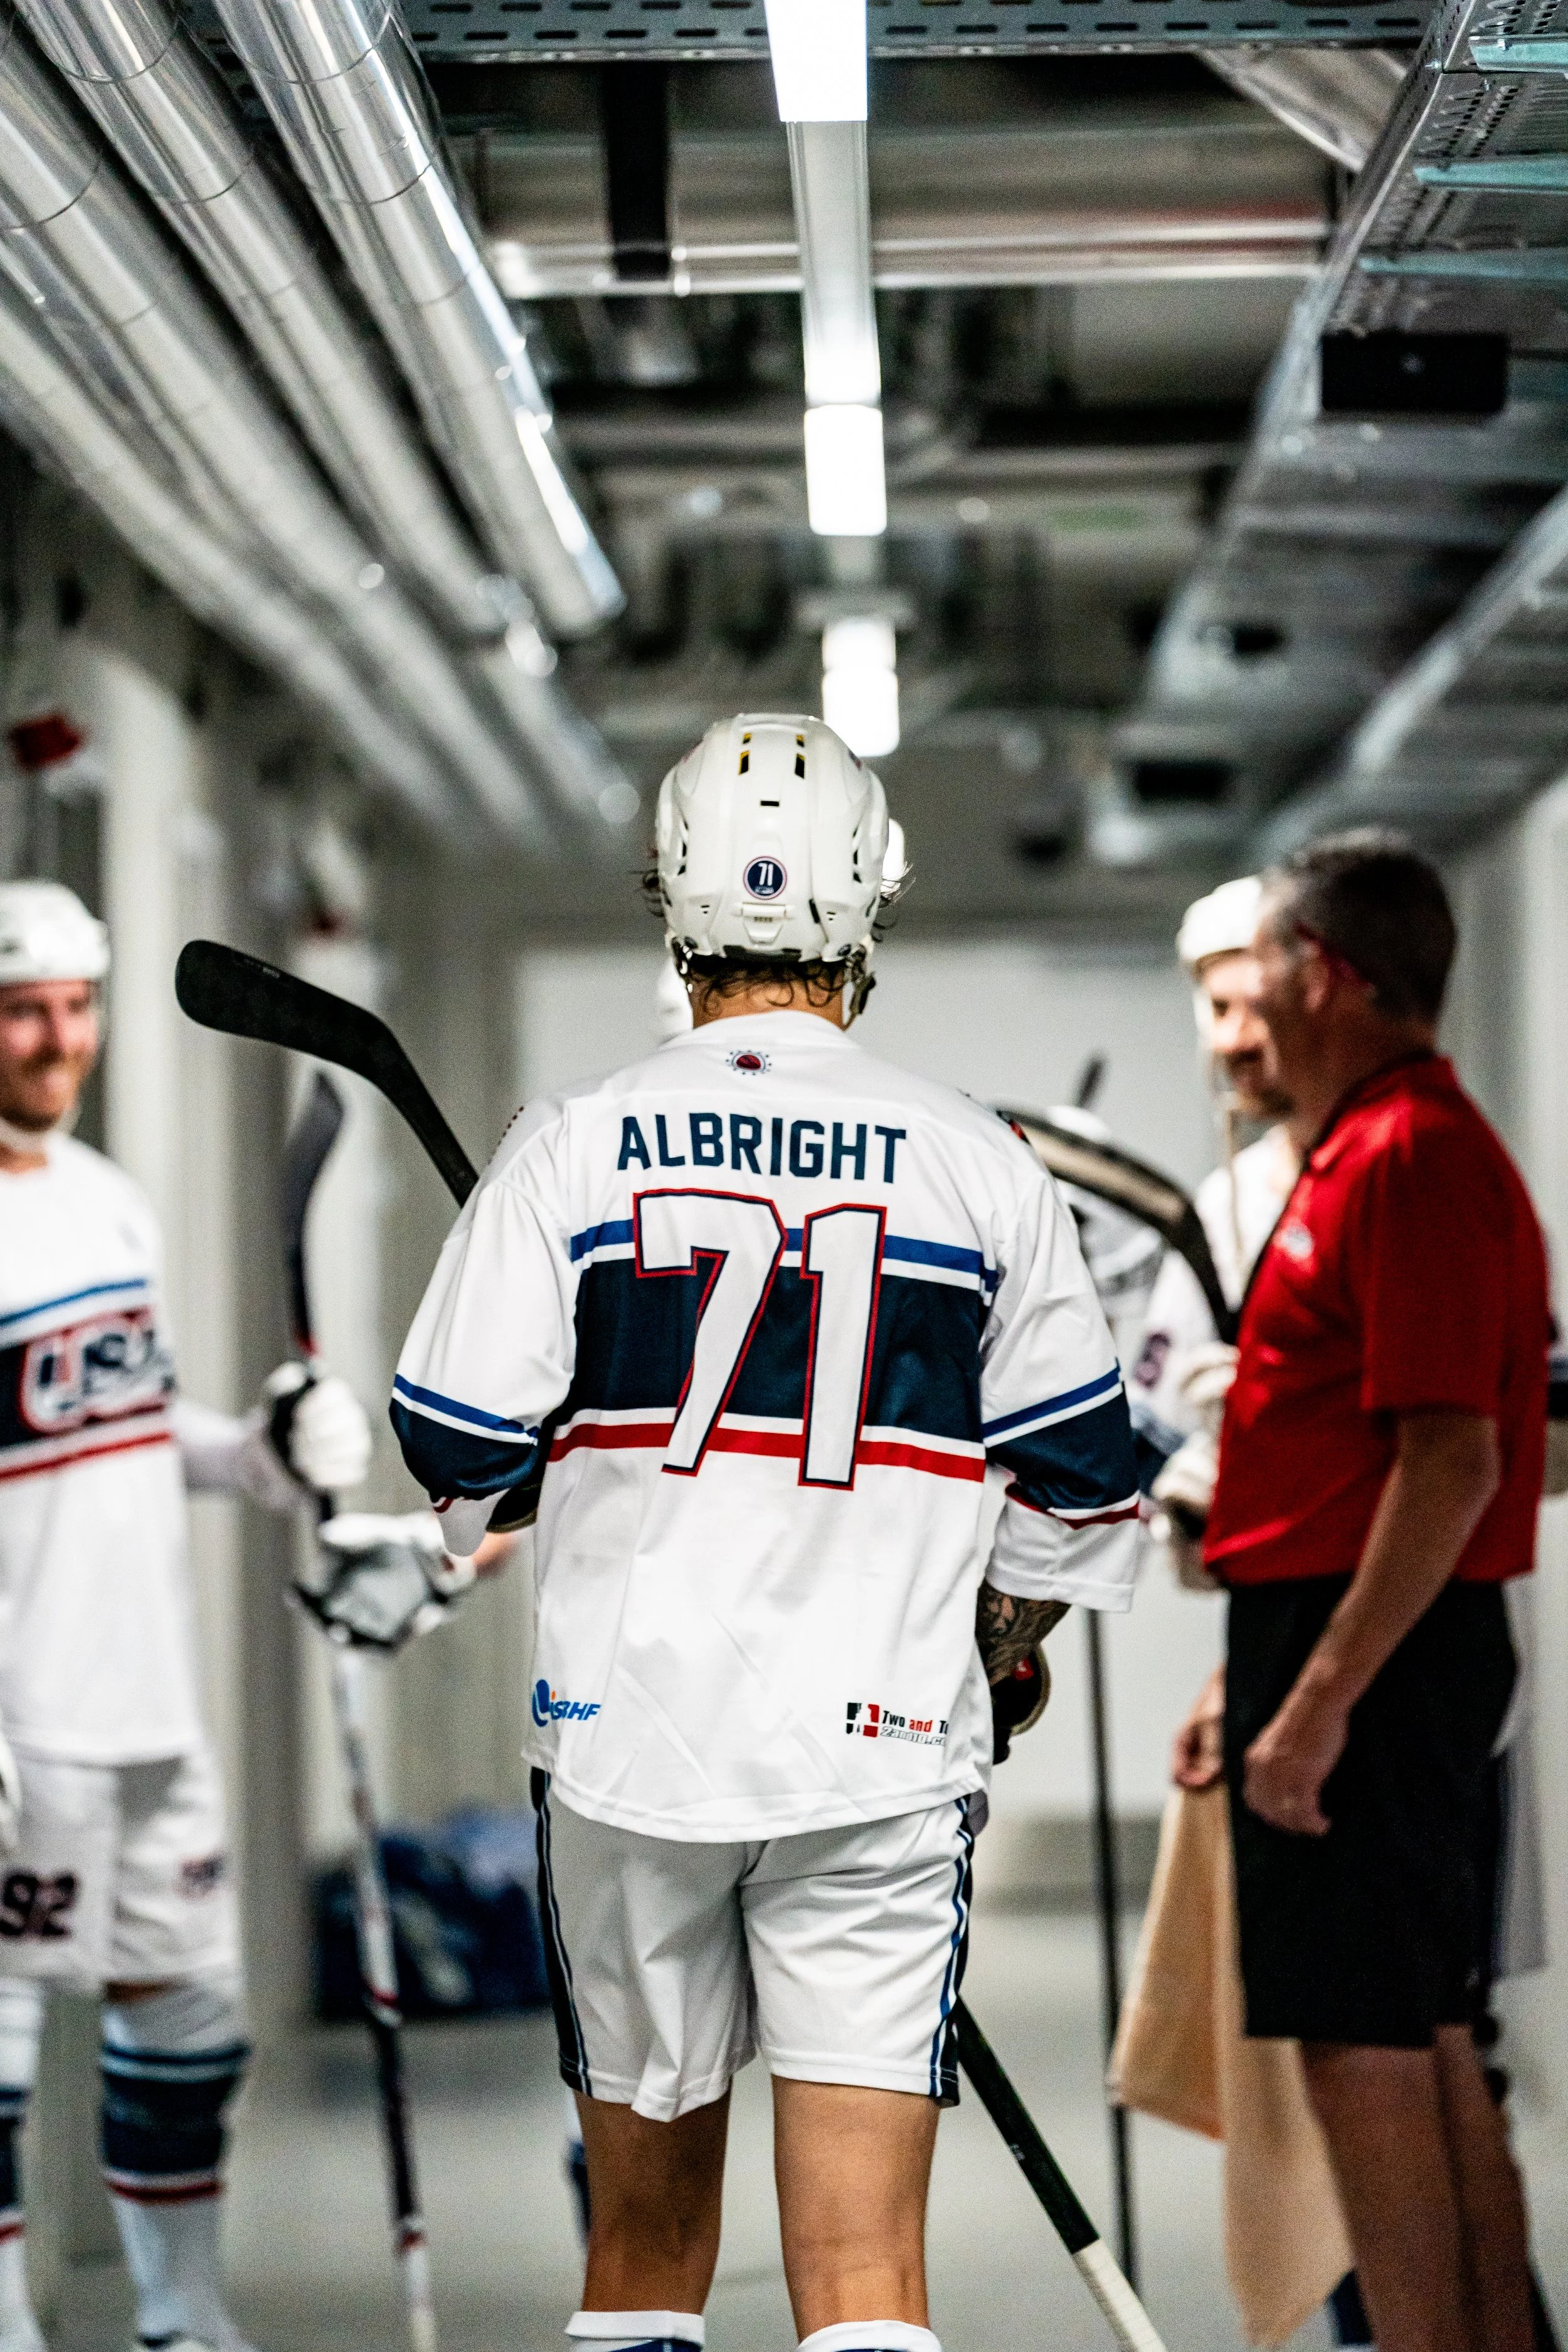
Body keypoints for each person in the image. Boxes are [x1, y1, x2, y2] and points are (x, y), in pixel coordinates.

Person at [389, 712, 1143, 2352]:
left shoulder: (570, 1140)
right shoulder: (978, 1161)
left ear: (668, 893)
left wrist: (554, 1467)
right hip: (878, 1762)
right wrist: (1003, 1642)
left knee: (642, 2255)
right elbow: (1084, 1474)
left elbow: (447, 1437)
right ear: (875, 888)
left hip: (624, 1752)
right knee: (866, 2279)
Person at [1179, 832, 1545, 2352]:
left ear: (1324, 972)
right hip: (1340, 1637)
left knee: (1374, 2053)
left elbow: (1447, 1461)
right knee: (1420, 2040)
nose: (1241, 1010)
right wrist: (1248, 1681)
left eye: (1258, 970)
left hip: (1380, 1657)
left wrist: (1316, 1702)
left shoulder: (1409, 1156)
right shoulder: (1359, 1151)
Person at [0, 882, 373, 2352]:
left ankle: (182, 2314)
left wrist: (262, 1455)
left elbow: (132, 1428)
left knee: (190, 2017)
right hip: (27, 1720)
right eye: (27, 1012)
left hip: (153, 1697)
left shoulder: (106, 1198)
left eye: (78, 1007)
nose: (58, 1040)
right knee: (10, 2046)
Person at [1128, 874, 1302, 1574]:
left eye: (1258, 1006)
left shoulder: (1406, 1171)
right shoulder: (1227, 1204)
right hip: (1283, 1609)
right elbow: (1149, 1469)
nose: (1236, 1038)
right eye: (1219, 1008)